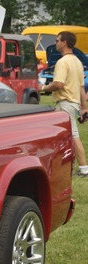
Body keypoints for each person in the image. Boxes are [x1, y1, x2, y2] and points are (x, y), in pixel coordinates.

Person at [41, 31, 88, 177]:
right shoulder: (78, 62)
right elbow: (81, 87)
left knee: (73, 136)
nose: (55, 43)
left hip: (65, 103)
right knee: (61, 137)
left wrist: (42, 87)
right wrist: (84, 107)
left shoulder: (62, 62)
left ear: (64, 42)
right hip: (73, 102)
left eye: (57, 40)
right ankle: (62, 166)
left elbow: (58, 84)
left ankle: (84, 169)